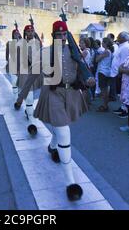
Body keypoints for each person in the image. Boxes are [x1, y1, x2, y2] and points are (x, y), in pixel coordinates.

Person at [32, 20, 95, 201]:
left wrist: (89, 79)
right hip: (53, 93)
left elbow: (83, 70)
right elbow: (34, 74)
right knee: (64, 133)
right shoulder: (45, 52)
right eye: (58, 35)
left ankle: (52, 146)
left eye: (64, 34)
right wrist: (22, 96)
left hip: (72, 94)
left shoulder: (74, 52)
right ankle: (71, 183)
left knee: (61, 127)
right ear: (53, 35)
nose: (61, 37)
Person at [14, 24, 43, 135]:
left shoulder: (37, 43)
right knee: (30, 98)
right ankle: (32, 124)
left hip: (34, 71)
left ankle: (23, 106)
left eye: (32, 31)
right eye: (28, 31)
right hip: (25, 71)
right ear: (25, 33)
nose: (30, 33)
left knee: (30, 96)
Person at [110, 32, 129, 118]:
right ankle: (122, 107)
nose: (117, 38)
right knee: (121, 92)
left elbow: (124, 61)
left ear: (123, 38)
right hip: (117, 72)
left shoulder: (126, 47)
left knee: (124, 92)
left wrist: (120, 72)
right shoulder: (121, 46)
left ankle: (125, 109)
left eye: (119, 36)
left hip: (121, 72)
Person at [95, 38, 113, 112]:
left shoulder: (106, 51)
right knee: (104, 90)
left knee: (104, 90)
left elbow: (97, 59)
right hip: (105, 71)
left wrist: (99, 56)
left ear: (106, 43)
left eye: (103, 42)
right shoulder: (107, 51)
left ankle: (105, 106)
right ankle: (105, 105)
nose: (102, 44)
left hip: (103, 72)